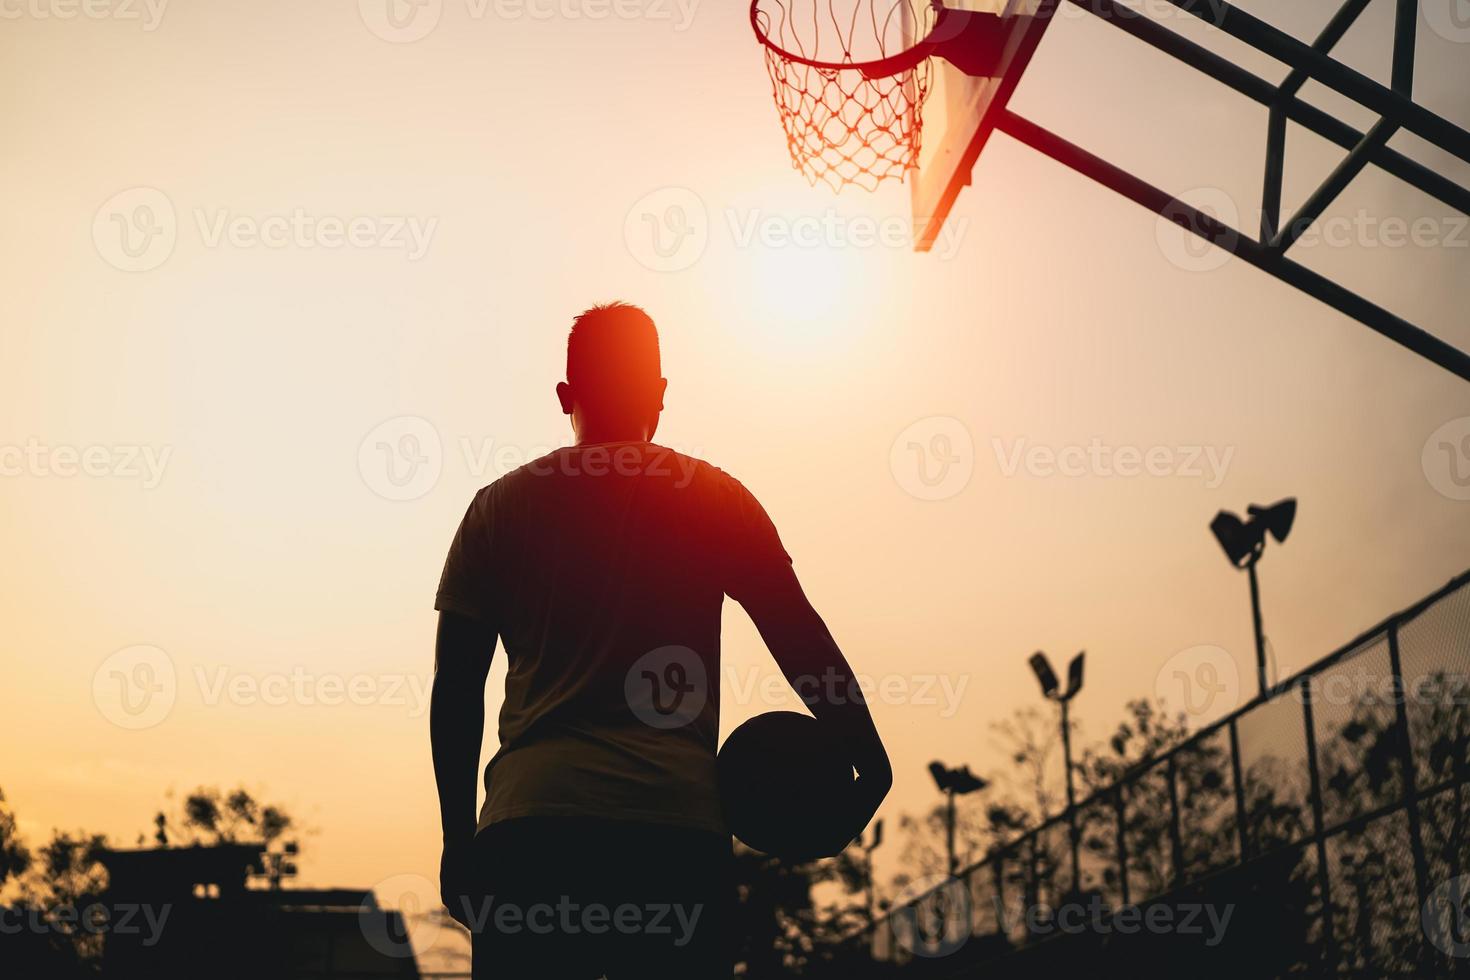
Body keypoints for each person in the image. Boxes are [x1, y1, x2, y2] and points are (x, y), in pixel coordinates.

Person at [430, 302, 891, 979]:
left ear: (566, 397)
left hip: (532, 829)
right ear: (661, 394)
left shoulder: (499, 506)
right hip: (672, 832)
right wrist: (868, 757)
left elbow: (457, 687)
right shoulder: (714, 498)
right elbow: (799, 637)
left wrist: (456, 836)